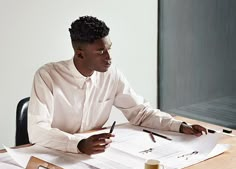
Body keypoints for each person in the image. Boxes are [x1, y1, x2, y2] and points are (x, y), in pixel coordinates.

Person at [28, 16, 207, 155]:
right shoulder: (47, 76)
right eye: (100, 51)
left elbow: (140, 113)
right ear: (80, 54)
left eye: (109, 48)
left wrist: (179, 126)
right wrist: (79, 145)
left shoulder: (111, 73)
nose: (109, 57)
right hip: (54, 155)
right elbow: (37, 131)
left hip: (95, 157)